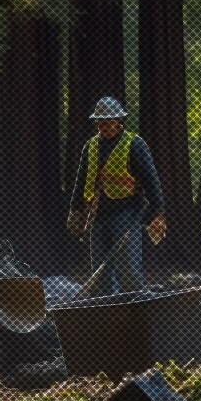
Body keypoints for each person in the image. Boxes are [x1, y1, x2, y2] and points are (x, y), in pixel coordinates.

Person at [66, 97, 167, 295]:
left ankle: (136, 310)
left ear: (118, 120)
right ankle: (108, 314)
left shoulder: (135, 145)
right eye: (99, 121)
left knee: (128, 270)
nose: (102, 125)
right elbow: (81, 181)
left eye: (107, 120)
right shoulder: (90, 147)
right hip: (98, 216)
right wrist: (75, 209)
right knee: (100, 273)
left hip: (127, 215)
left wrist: (157, 211)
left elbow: (151, 181)